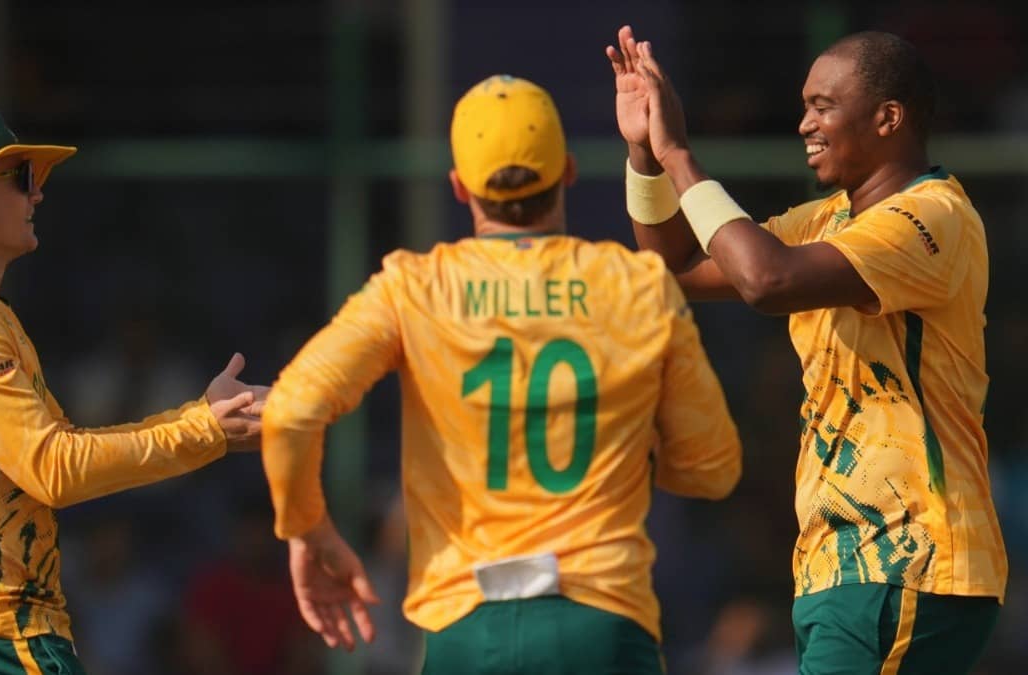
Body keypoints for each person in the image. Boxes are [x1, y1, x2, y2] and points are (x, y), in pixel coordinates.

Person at [260, 75, 742, 673]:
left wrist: (308, 531)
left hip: (466, 629)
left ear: (459, 187)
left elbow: (290, 413)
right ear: (568, 172)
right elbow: (712, 469)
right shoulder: (640, 286)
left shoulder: (413, 289)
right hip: (602, 624)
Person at [607, 25, 1007, 674]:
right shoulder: (824, 220)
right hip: (842, 566)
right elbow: (675, 265)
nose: (804, 124)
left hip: (906, 558)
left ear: (888, 118)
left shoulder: (933, 216)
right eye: (804, 107)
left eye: (823, 106)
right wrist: (646, 155)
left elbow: (767, 280)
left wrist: (679, 153)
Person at [0, 96, 268, 674]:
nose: (37, 194)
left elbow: (53, 450)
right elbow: (53, 467)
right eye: (21, 177)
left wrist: (201, 418)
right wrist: (203, 431)